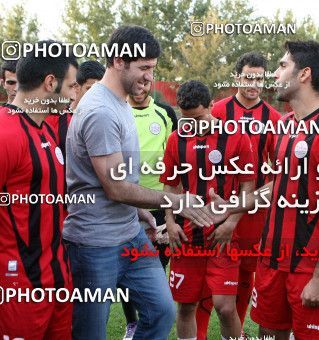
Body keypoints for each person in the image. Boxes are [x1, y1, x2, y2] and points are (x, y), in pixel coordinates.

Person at [62, 25, 212, 340]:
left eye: (152, 69)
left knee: (161, 311)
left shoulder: (121, 103)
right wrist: (177, 201)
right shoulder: (101, 110)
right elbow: (116, 187)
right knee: (90, 333)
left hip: (129, 232)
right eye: (144, 68)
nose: (149, 77)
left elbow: (118, 180)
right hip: (95, 243)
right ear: (119, 61)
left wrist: (138, 211)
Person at [207, 40, 319, 339]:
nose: (274, 74)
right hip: (272, 260)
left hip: (309, 267)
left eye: (281, 66)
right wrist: (234, 206)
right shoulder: (287, 125)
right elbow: (279, 184)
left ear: (303, 74)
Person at [160, 79, 255, 340]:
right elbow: (171, 186)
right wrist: (170, 221)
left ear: (212, 106)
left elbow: (248, 188)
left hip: (223, 236)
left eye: (199, 118)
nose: (193, 125)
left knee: (225, 308)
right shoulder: (175, 139)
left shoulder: (236, 136)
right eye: (187, 119)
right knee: (186, 306)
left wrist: (230, 224)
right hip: (187, 237)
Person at [195, 51, 281, 339]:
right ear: (237, 77)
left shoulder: (274, 119)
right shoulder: (217, 111)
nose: (253, 83)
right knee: (211, 275)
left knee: (245, 274)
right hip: (216, 209)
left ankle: (235, 333)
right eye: (248, 77)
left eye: (259, 78)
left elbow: (277, 173)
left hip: (254, 211)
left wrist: (238, 213)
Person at [0, 40, 77, 339]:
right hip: (18, 285)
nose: (74, 94)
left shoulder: (46, 128)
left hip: (57, 277)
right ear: (50, 83)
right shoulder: (6, 134)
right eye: (71, 86)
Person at [121, 80, 178, 339]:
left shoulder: (165, 113)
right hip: (128, 199)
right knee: (129, 263)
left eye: (146, 82)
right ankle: (131, 322)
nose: (141, 87)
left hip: (160, 199)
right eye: (137, 82)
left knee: (157, 262)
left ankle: (154, 314)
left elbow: (176, 152)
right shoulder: (119, 110)